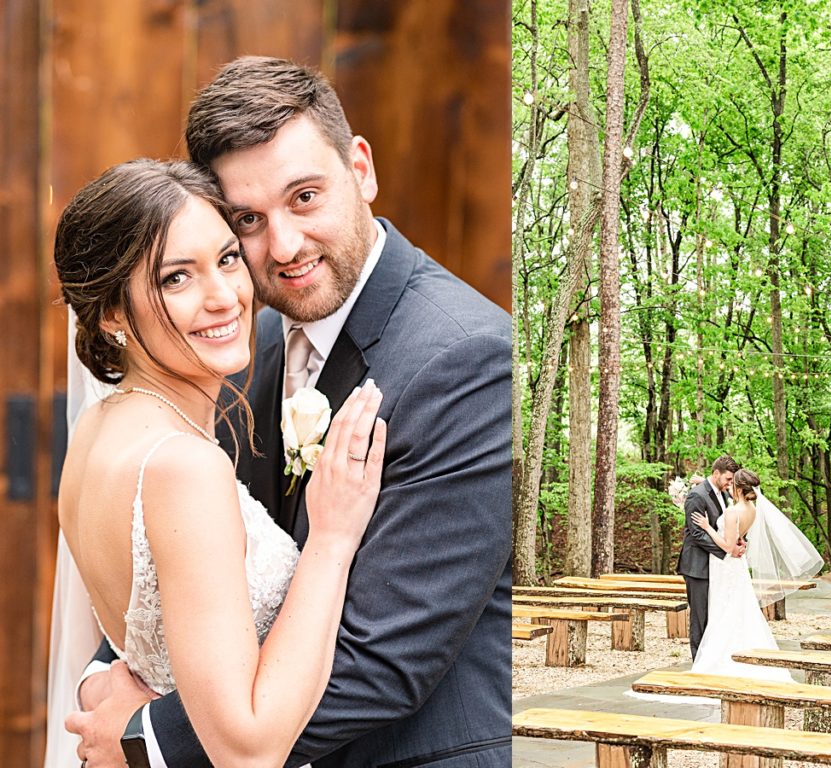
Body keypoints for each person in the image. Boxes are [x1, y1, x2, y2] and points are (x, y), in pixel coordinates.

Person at [64, 56, 512, 767]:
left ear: (359, 167)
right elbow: (180, 568)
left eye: (305, 197)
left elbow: (384, 657)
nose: (284, 247)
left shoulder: (467, 359)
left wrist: (146, 737)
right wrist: (108, 678)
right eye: (248, 219)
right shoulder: (243, 344)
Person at [48, 159, 387, 767]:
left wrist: (135, 702)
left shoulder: (98, 431)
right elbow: (247, 750)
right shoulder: (183, 467)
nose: (224, 296)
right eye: (176, 279)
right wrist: (331, 541)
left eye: (228, 259)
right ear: (110, 314)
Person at [687, 468, 797, 680]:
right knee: (739, 609)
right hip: (738, 567)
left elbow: (728, 546)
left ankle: (721, 659)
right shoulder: (752, 508)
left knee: (723, 611)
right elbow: (737, 536)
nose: (728, 486)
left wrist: (708, 527)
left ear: (737, 487)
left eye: (731, 484)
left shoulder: (731, 512)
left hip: (725, 566)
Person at [675, 455, 742, 659]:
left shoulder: (722, 494)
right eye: (728, 479)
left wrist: (737, 541)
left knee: (714, 614)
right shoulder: (697, 495)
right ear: (716, 474)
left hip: (714, 565)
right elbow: (696, 534)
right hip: (697, 567)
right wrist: (726, 550)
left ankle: (711, 657)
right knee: (699, 616)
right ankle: (699, 660)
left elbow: (721, 526)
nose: (731, 484)